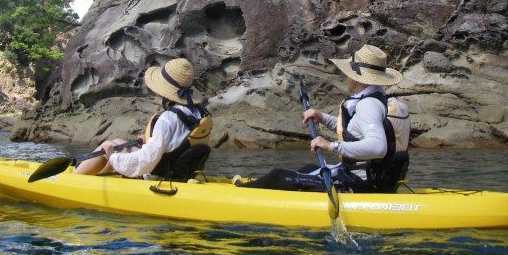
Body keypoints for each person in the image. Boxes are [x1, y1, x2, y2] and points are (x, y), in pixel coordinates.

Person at [236, 45, 410, 193]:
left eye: (348, 73)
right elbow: (354, 132)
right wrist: (322, 118)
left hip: (358, 185)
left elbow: (377, 148)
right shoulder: (378, 99)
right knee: (308, 169)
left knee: (278, 176)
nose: (346, 77)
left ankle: (241, 195)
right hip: (372, 180)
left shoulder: (368, 105)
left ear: (358, 78)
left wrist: (330, 146)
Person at [74, 57, 212, 180]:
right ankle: (100, 179)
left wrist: (112, 157)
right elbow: (178, 142)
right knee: (116, 143)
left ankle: (73, 181)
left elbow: (147, 160)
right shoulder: (199, 112)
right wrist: (149, 140)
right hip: (178, 172)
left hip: (159, 175)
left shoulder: (168, 118)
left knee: (107, 147)